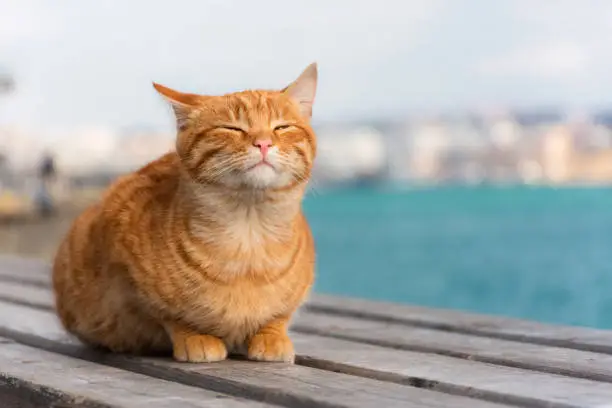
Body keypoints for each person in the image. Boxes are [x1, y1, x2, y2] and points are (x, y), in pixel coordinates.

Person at [35, 151, 57, 217]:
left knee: (46, 193)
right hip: (45, 180)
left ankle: (46, 207)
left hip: (46, 180)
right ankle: (46, 207)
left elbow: (51, 172)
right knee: (45, 193)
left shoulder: (47, 164)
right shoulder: (46, 164)